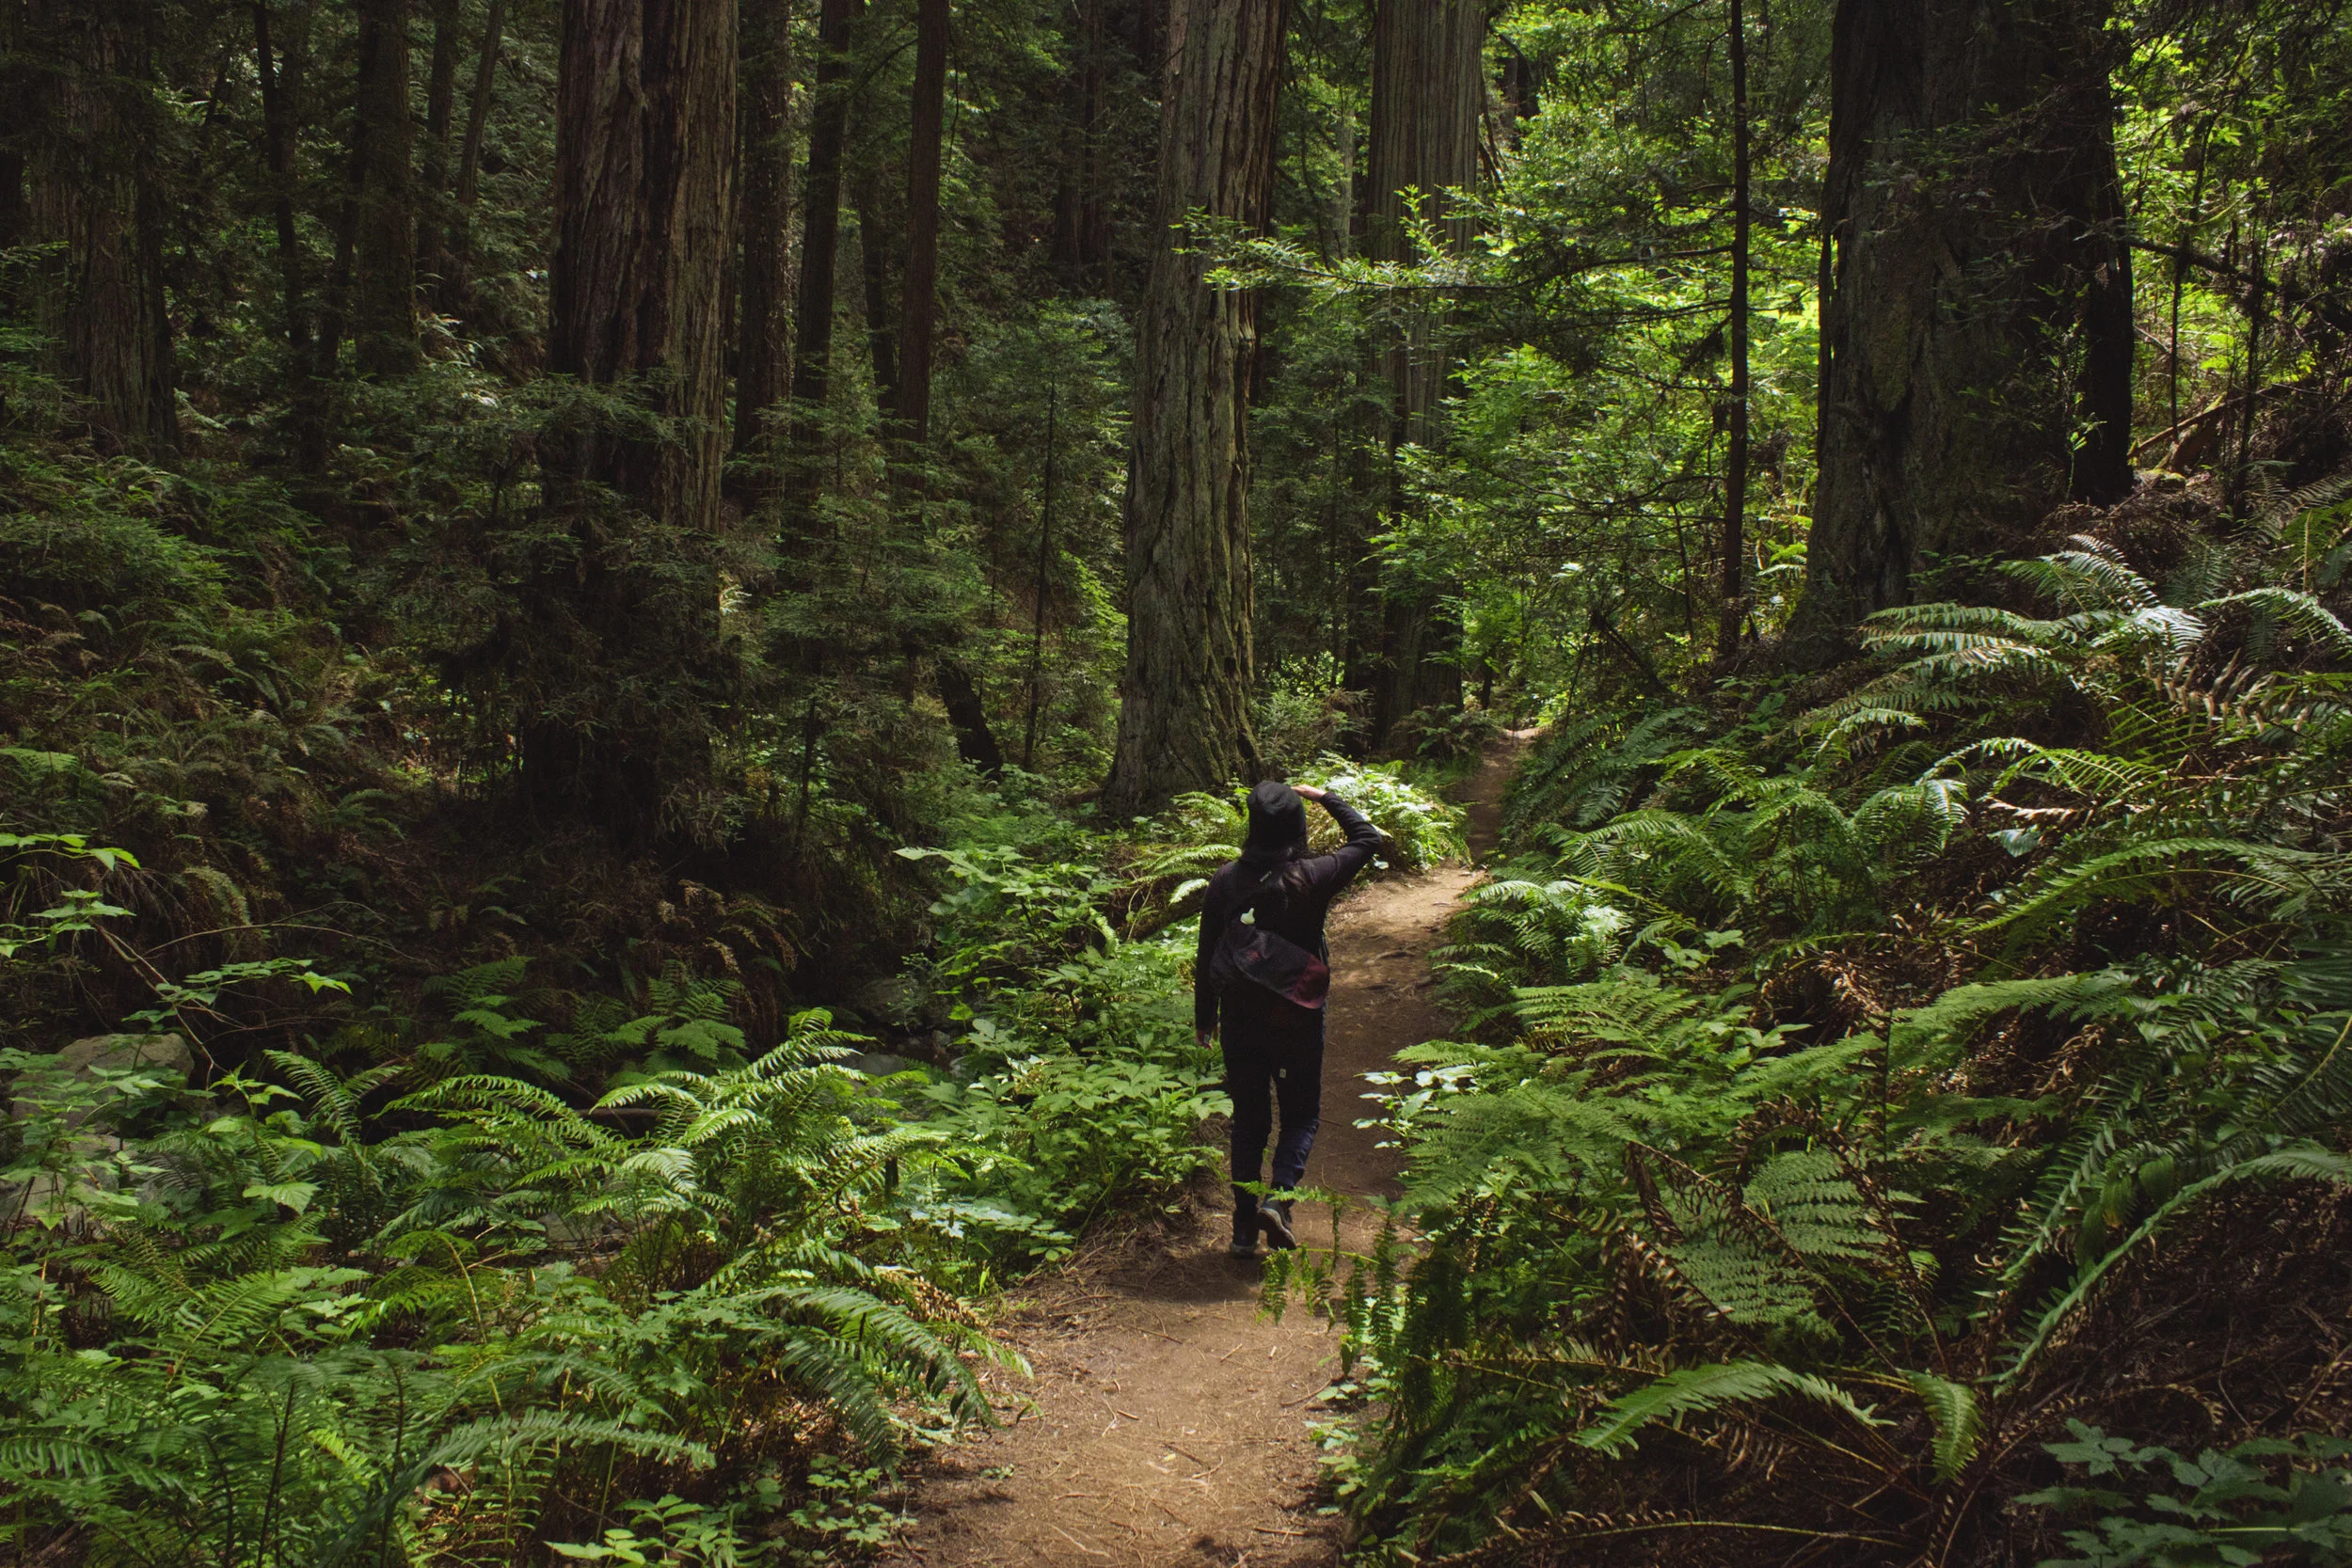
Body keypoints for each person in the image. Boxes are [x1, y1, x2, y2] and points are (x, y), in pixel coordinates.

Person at [1195, 780, 1384, 1258]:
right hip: (1298, 1013)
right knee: (1300, 1114)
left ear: (1252, 826)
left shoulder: (1225, 881)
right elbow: (1367, 839)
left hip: (1241, 1016)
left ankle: (1241, 1228)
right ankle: (1279, 1198)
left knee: (1249, 1121)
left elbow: (1207, 953)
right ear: (1297, 827)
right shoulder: (1313, 876)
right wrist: (1327, 797)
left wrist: (1205, 1017)